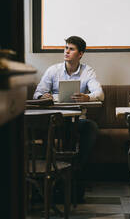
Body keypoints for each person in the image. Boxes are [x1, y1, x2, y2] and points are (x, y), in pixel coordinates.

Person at [33, 36, 104, 202]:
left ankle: (75, 170)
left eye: (71, 49)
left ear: (80, 54)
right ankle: (49, 175)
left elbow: (100, 94)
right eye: (66, 48)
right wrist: (43, 95)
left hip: (77, 121)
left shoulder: (88, 71)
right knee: (43, 129)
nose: (66, 51)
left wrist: (87, 97)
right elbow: (37, 93)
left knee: (91, 128)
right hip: (54, 120)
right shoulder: (53, 70)